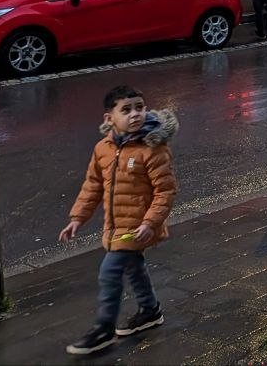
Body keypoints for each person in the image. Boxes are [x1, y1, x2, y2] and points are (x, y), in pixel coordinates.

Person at [60, 84, 178, 356]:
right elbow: (93, 186)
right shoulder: (103, 148)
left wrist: (150, 223)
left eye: (139, 107)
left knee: (109, 272)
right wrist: (77, 218)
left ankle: (103, 328)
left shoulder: (153, 148)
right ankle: (150, 310)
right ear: (109, 118)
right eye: (126, 110)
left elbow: (165, 190)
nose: (135, 114)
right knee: (134, 267)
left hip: (137, 227)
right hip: (115, 226)